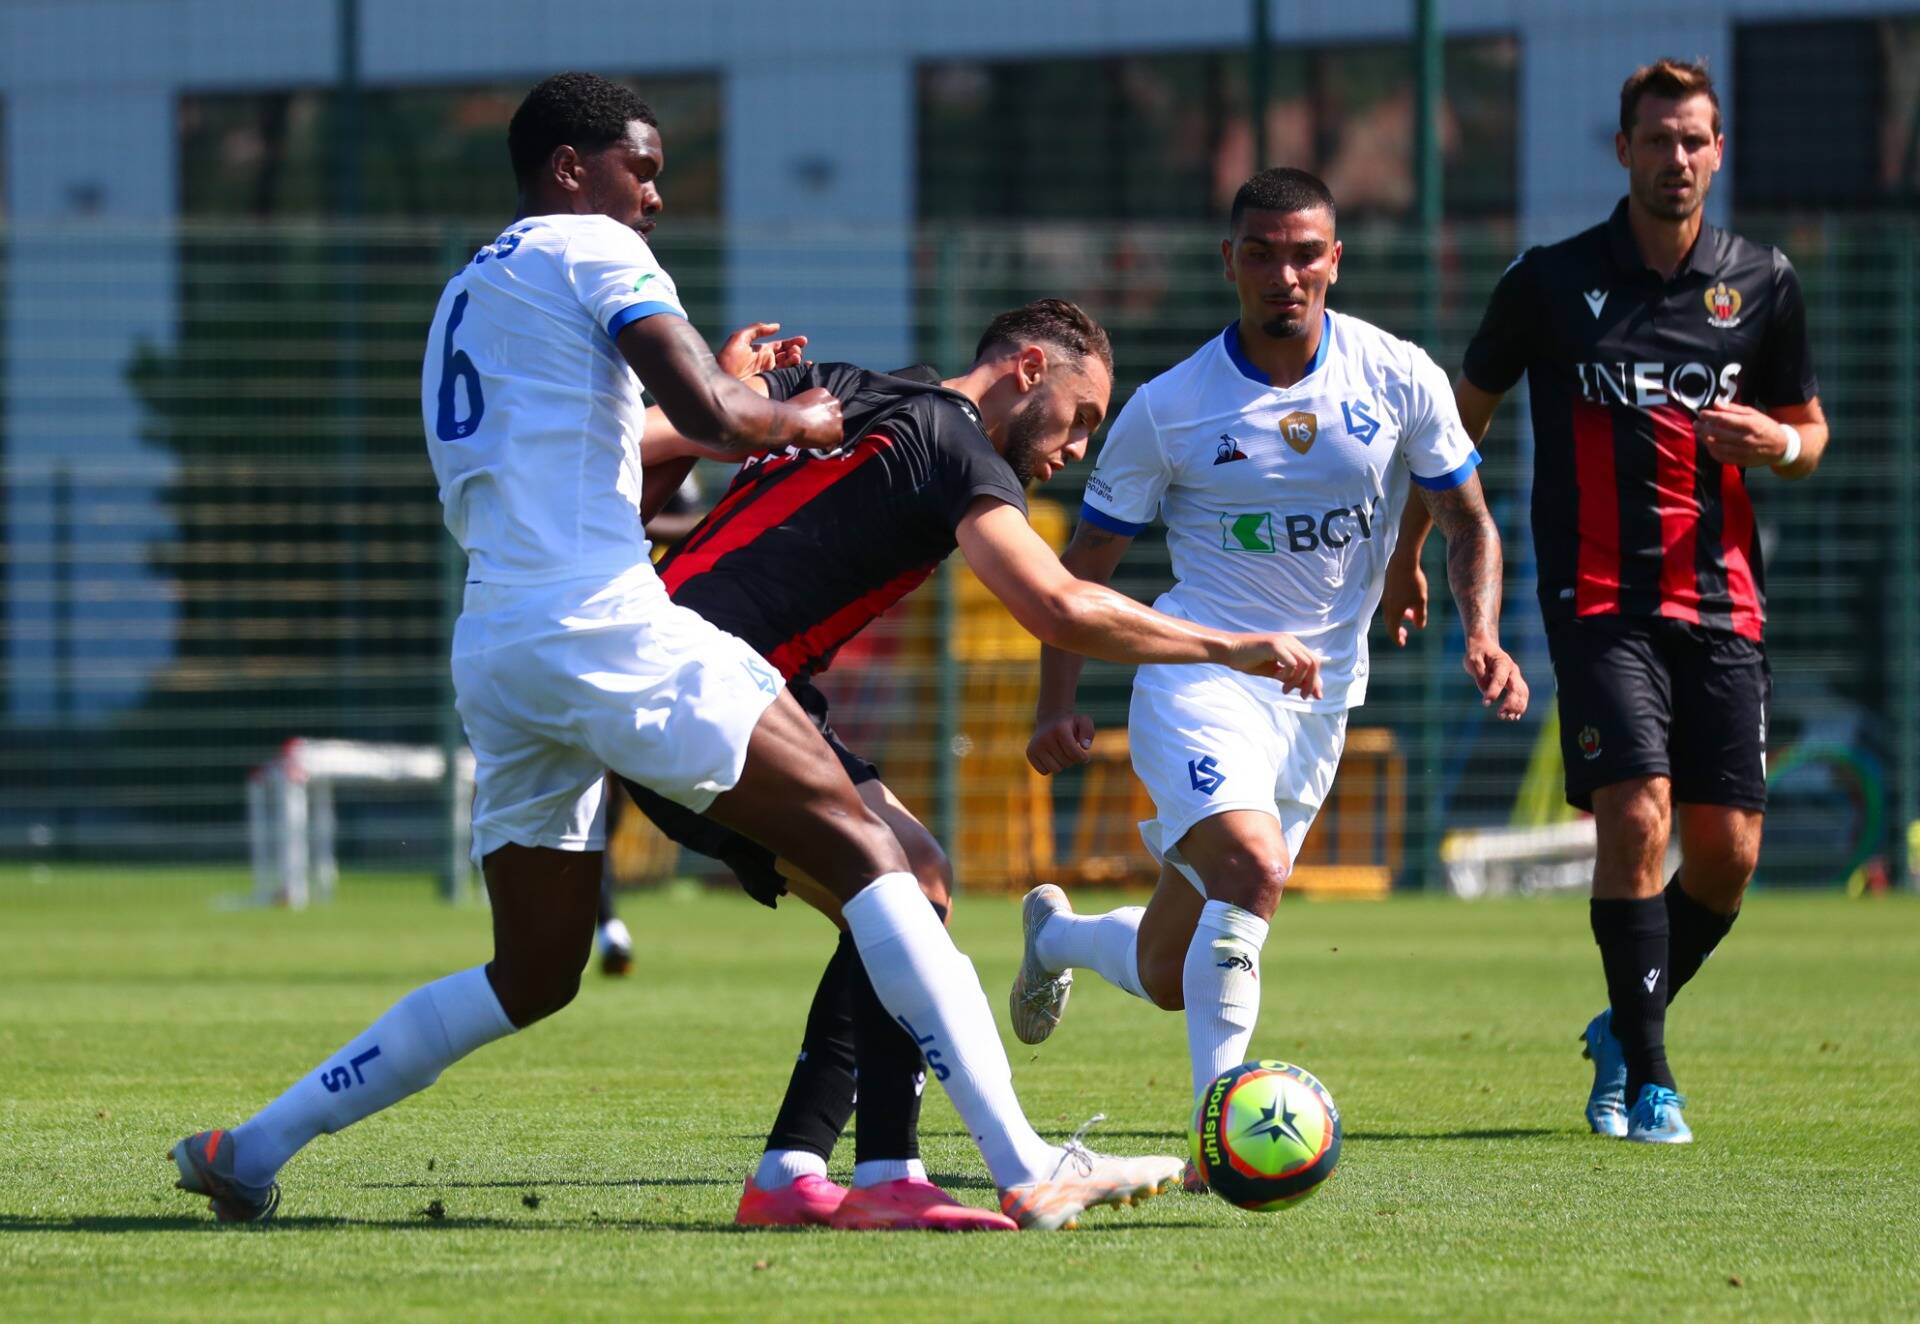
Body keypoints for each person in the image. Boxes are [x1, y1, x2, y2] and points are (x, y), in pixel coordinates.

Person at [166, 71, 1184, 1230]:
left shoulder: (468, 288)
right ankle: (1018, 1164)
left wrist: (736, 408)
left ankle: (253, 1146)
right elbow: (712, 411)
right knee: (881, 861)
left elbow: (620, 455)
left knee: (532, 974)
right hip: (607, 627)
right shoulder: (595, 253)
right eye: (639, 169)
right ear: (569, 169)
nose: (652, 196)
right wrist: (786, 415)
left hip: (499, 643)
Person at [626, 298, 1322, 1230]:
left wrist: (719, 388)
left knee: (915, 879)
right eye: (1081, 417)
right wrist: (1227, 646)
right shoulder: (962, 453)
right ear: (1030, 369)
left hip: (686, 675)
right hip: (706, 693)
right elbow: (1062, 607)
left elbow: (643, 439)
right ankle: (904, 1173)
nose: (1076, 448)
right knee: (902, 885)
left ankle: (824, 1170)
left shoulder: (850, 386)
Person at [1010, 170, 1529, 1174]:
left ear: (1335, 259)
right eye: (1260, 253)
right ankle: (1220, 1134)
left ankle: (1058, 939)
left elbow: (1465, 514)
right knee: (1254, 868)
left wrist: (1483, 633)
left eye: (1303, 253)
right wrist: (1056, 705)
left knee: (1171, 971)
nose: (1282, 274)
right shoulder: (1170, 409)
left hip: (1318, 703)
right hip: (1200, 679)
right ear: (1229, 263)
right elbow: (1083, 573)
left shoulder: (1397, 376)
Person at [1381, 59, 1827, 1144]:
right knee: (1635, 816)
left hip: (1722, 606)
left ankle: (1624, 1018)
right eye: (1656, 140)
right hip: (1596, 601)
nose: (1675, 159)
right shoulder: (1547, 282)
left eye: (1693, 141)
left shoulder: (1759, 282)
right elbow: (1453, 433)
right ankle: (1648, 1075)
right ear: (1621, 151)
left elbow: (1806, 434)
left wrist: (1774, 442)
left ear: (1715, 152)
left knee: (1726, 854)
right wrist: (1405, 557)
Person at [594, 468, 713, 977]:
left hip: (661, 638)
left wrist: (632, 524)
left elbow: (703, 526)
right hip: (599, 632)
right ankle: (606, 923)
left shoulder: (679, 454)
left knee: (618, 802)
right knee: (596, 798)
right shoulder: (607, 445)